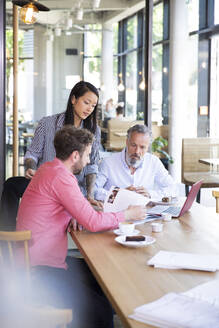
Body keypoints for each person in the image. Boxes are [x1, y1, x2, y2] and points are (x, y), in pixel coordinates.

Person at [16, 125, 146, 328]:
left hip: (34, 260)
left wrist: (70, 215)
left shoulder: (49, 169)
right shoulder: (62, 177)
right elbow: (93, 222)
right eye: (87, 154)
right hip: (38, 270)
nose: (88, 160)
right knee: (99, 305)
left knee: (102, 279)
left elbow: (59, 207)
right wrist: (128, 214)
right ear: (75, 155)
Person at [0, 81, 101, 231]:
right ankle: (7, 237)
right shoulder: (47, 123)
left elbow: (92, 165)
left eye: (93, 106)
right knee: (11, 184)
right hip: (43, 184)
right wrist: (30, 168)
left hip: (71, 188)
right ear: (73, 99)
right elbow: (32, 153)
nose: (89, 109)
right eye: (86, 102)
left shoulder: (93, 130)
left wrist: (89, 195)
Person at [95, 124, 178, 201]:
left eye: (142, 147)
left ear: (148, 147)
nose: (137, 151)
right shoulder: (108, 163)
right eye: (133, 145)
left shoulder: (153, 162)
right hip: (116, 214)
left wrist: (150, 194)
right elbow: (94, 191)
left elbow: (173, 188)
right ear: (127, 142)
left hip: (145, 214)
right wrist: (118, 194)